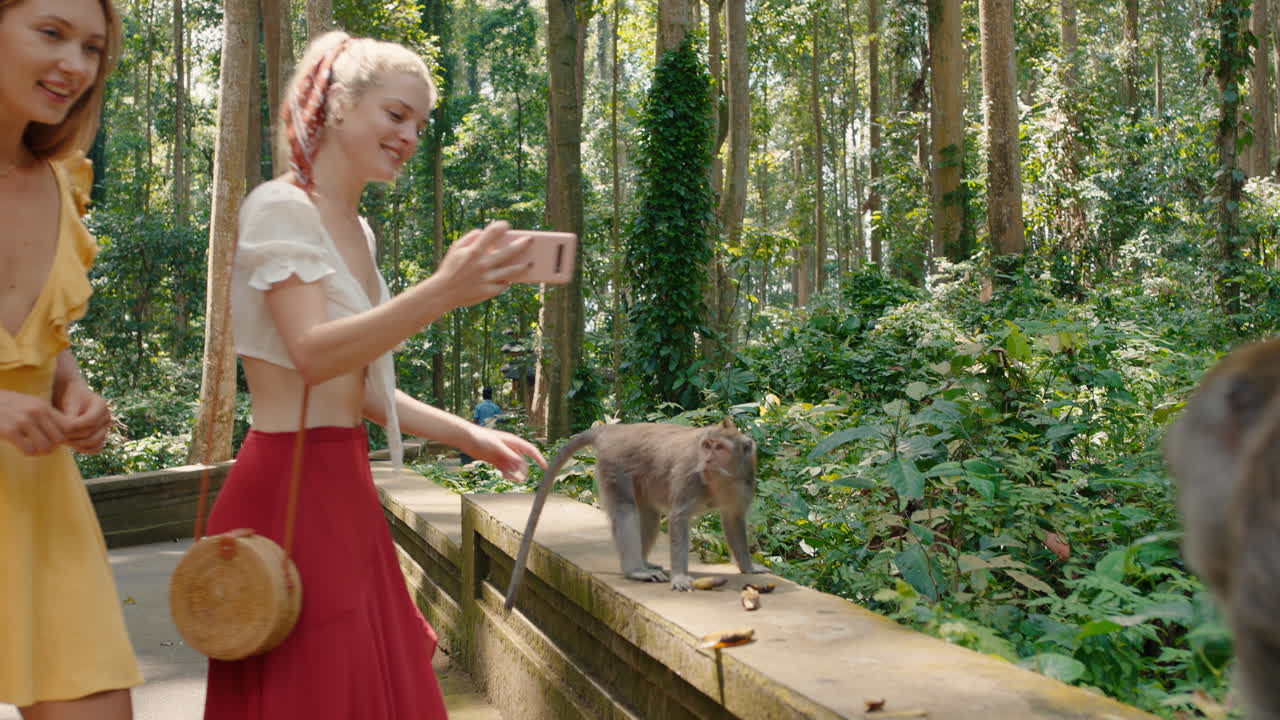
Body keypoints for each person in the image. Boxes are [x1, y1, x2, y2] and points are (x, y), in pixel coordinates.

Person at [202, 31, 547, 719]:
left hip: (345, 489)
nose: (410, 136)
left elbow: (354, 387)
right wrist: (443, 289)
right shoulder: (280, 208)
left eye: (421, 124)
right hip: (288, 489)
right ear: (335, 105)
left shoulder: (359, 232)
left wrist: (471, 437)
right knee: (318, 692)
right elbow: (312, 353)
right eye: (396, 114)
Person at [0, 0, 140, 718]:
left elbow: (41, 342)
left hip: (40, 499)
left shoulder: (64, 179)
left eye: (91, 47)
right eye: (50, 34)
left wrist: (73, 388)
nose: (74, 65)